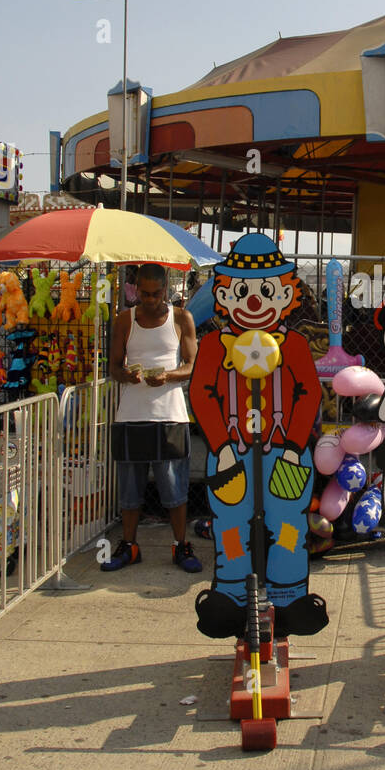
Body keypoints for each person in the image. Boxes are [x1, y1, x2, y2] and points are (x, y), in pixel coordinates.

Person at [188, 233, 326, 639]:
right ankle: (232, 596)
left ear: (284, 295)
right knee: (232, 524)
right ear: (225, 295)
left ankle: (288, 596)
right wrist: (221, 446)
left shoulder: (296, 345)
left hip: (285, 451)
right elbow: (202, 393)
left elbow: (309, 394)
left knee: (288, 522)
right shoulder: (214, 345)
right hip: (231, 451)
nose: (254, 301)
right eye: (242, 291)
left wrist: (295, 446)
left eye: (265, 291)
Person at [102, 262, 201, 573]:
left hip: (170, 416)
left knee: (175, 489)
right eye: (143, 294)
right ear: (137, 290)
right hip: (131, 415)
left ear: (165, 289)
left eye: (155, 293)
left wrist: (169, 376)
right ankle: (129, 546)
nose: (149, 299)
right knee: (130, 490)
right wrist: (126, 376)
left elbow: (191, 365)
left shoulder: (182, 317)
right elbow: (114, 366)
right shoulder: (124, 320)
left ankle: (180, 545)